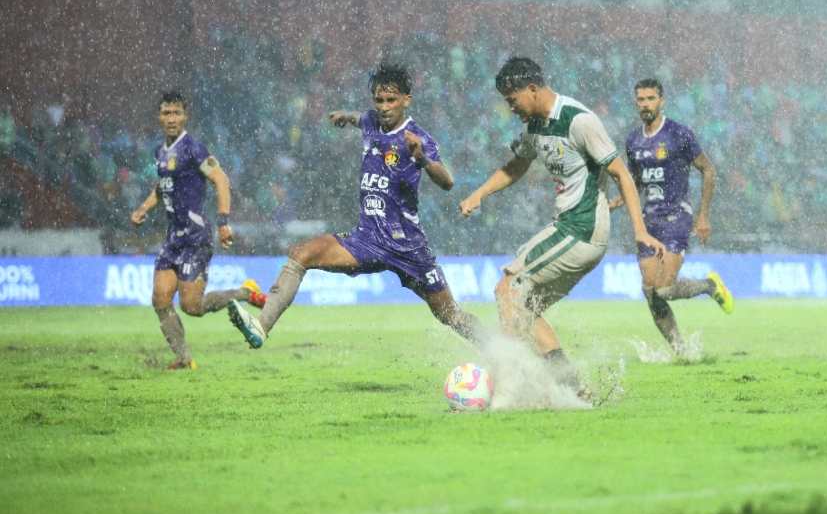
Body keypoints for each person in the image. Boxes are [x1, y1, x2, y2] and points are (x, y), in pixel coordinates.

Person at [226, 62, 485, 349]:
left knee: (449, 315)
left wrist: (421, 157)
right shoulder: (372, 122)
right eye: (379, 100)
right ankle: (261, 326)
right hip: (367, 240)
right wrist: (345, 116)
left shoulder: (418, 138)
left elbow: (447, 181)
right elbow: (361, 117)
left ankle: (498, 349)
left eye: (391, 100)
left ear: (406, 100)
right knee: (302, 253)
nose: (384, 107)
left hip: (407, 246)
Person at [459, 57, 666, 391]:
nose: (511, 108)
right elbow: (516, 166)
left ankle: (503, 384)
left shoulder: (579, 120)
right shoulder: (534, 127)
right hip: (568, 228)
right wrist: (479, 194)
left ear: (532, 89)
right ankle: (571, 388)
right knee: (524, 309)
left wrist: (640, 232)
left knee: (507, 289)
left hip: (580, 228)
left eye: (513, 100)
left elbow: (622, 174)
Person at [130, 91, 265, 370]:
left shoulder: (194, 148)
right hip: (172, 239)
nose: (171, 118)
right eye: (166, 113)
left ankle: (244, 293)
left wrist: (224, 221)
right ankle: (183, 358)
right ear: (159, 116)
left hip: (195, 237)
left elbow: (222, 180)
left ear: (185, 116)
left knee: (192, 307)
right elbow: (163, 186)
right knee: (160, 299)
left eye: (176, 113)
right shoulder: (160, 152)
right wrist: (144, 208)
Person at [610, 78, 733, 352]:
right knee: (650, 291)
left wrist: (703, 216)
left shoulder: (679, 134)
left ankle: (708, 285)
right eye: (640, 100)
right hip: (649, 221)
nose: (645, 105)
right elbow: (636, 179)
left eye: (650, 99)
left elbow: (709, 170)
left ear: (661, 101)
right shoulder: (633, 140)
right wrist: (622, 198)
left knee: (665, 289)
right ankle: (680, 350)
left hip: (677, 215)